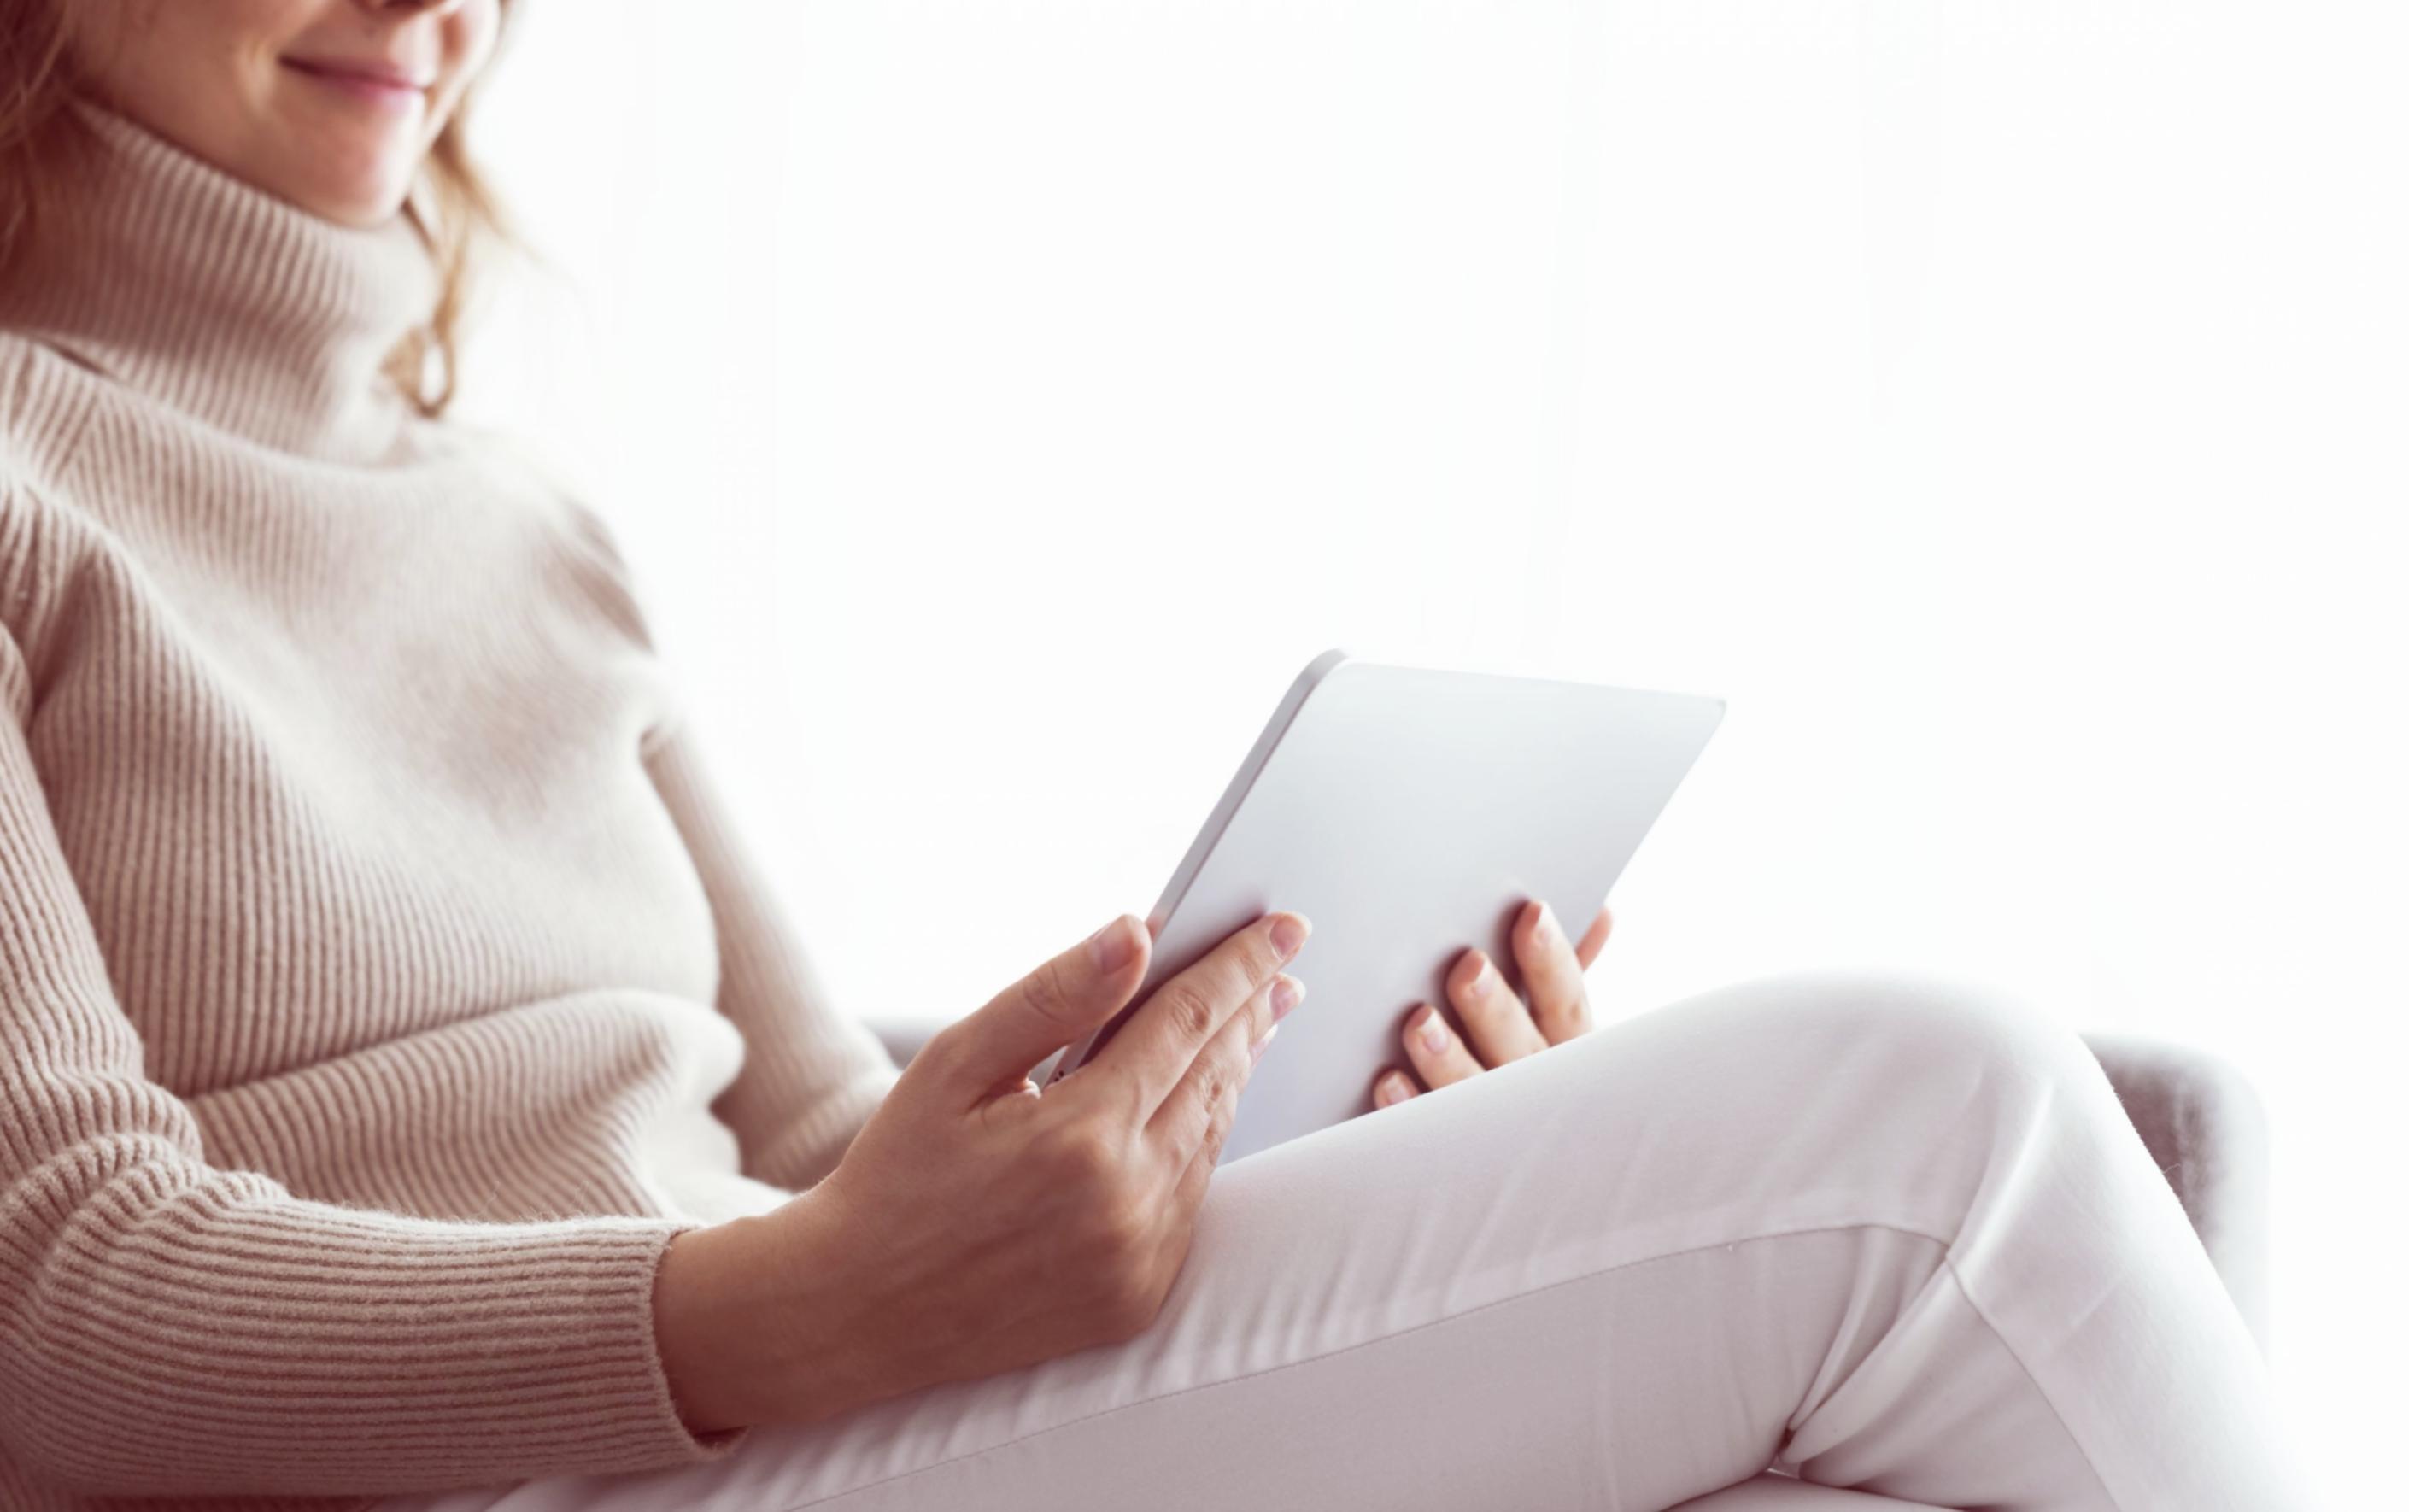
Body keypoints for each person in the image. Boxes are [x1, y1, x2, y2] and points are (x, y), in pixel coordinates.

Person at [0, 3, 2305, 1510]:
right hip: (521, 1464)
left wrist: (1359, 1144)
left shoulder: (518, 515)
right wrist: (789, 1305)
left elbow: (818, 1139)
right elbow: (53, 1296)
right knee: (1934, 1124)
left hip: (778, 1399)